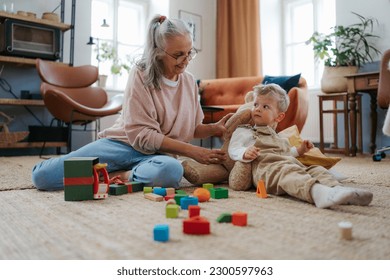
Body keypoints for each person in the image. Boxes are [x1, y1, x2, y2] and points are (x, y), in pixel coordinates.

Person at [32, 14, 231, 191]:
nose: (186, 60)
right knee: (42, 178)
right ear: (159, 51)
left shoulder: (188, 81)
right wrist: (194, 151)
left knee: (171, 171)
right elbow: (143, 135)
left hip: (156, 156)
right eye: (178, 55)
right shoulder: (141, 74)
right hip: (121, 145)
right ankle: (110, 168)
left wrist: (214, 128)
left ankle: (125, 175)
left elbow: (191, 128)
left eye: (189, 52)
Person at [228, 83, 373, 208]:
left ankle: (339, 190)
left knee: (315, 169)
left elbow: (285, 153)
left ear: (278, 117)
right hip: (267, 171)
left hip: (289, 164)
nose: (257, 109)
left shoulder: (277, 136)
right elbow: (233, 147)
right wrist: (244, 152)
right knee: (289, 173)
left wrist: (300, 150)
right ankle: (317, 193)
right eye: (255, 104)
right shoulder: (246, 130)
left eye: (265, 106)